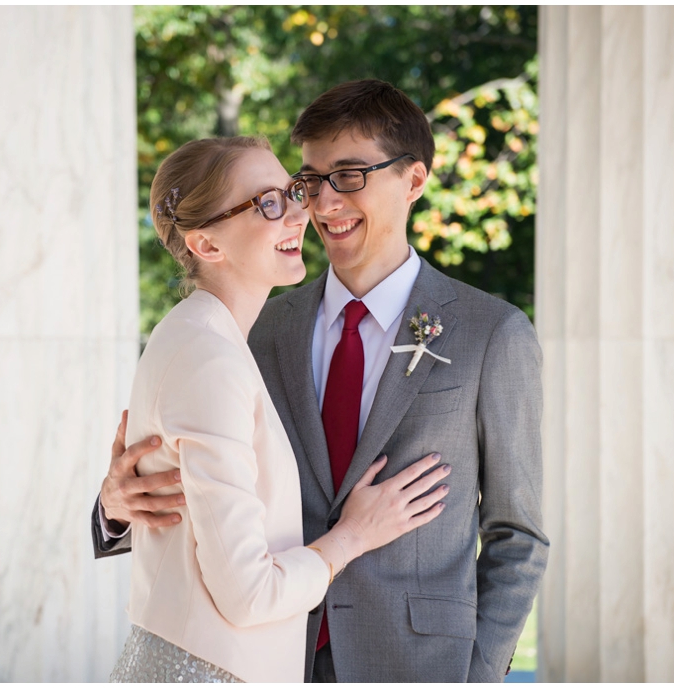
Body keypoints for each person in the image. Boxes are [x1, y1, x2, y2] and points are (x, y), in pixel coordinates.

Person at [95, 80, 548, 682]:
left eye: (350, 176)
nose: (321, 203)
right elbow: (214, 499)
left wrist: (477, 673)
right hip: (269, 655)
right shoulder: (255, 328)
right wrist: (116, 509)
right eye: (308, 181)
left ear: (414, 180)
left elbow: (518, 535)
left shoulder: (493, 335)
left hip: (417, 666)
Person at [103, 135, 450, 684]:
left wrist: (116, 504)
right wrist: (353, 537)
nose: (299, 212)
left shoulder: (205, 335)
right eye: (268, 203)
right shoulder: (209, 357)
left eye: (292, 191)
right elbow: (248, 594)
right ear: (206, 246)